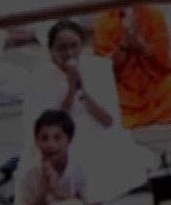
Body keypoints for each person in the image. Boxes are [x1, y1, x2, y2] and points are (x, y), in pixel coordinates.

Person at [18, 21, 152, 203]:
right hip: (60, 140)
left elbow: (108, 120)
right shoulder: (40, 77)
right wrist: (70, 90)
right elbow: (50, 126)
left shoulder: (99, 68)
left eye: (74, 46)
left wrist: (85, 94)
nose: (69, 53)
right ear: (51, 51)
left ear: (82, 45)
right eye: (62, 48)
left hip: (97, 134)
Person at [15, 110, 88, 205]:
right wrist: (43, 192)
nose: (50, 145)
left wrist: (57, 191)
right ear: (36, 142)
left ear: (69, 140)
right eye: (45, 138)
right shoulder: (27, 171)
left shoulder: (81, 166)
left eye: (57, 138)